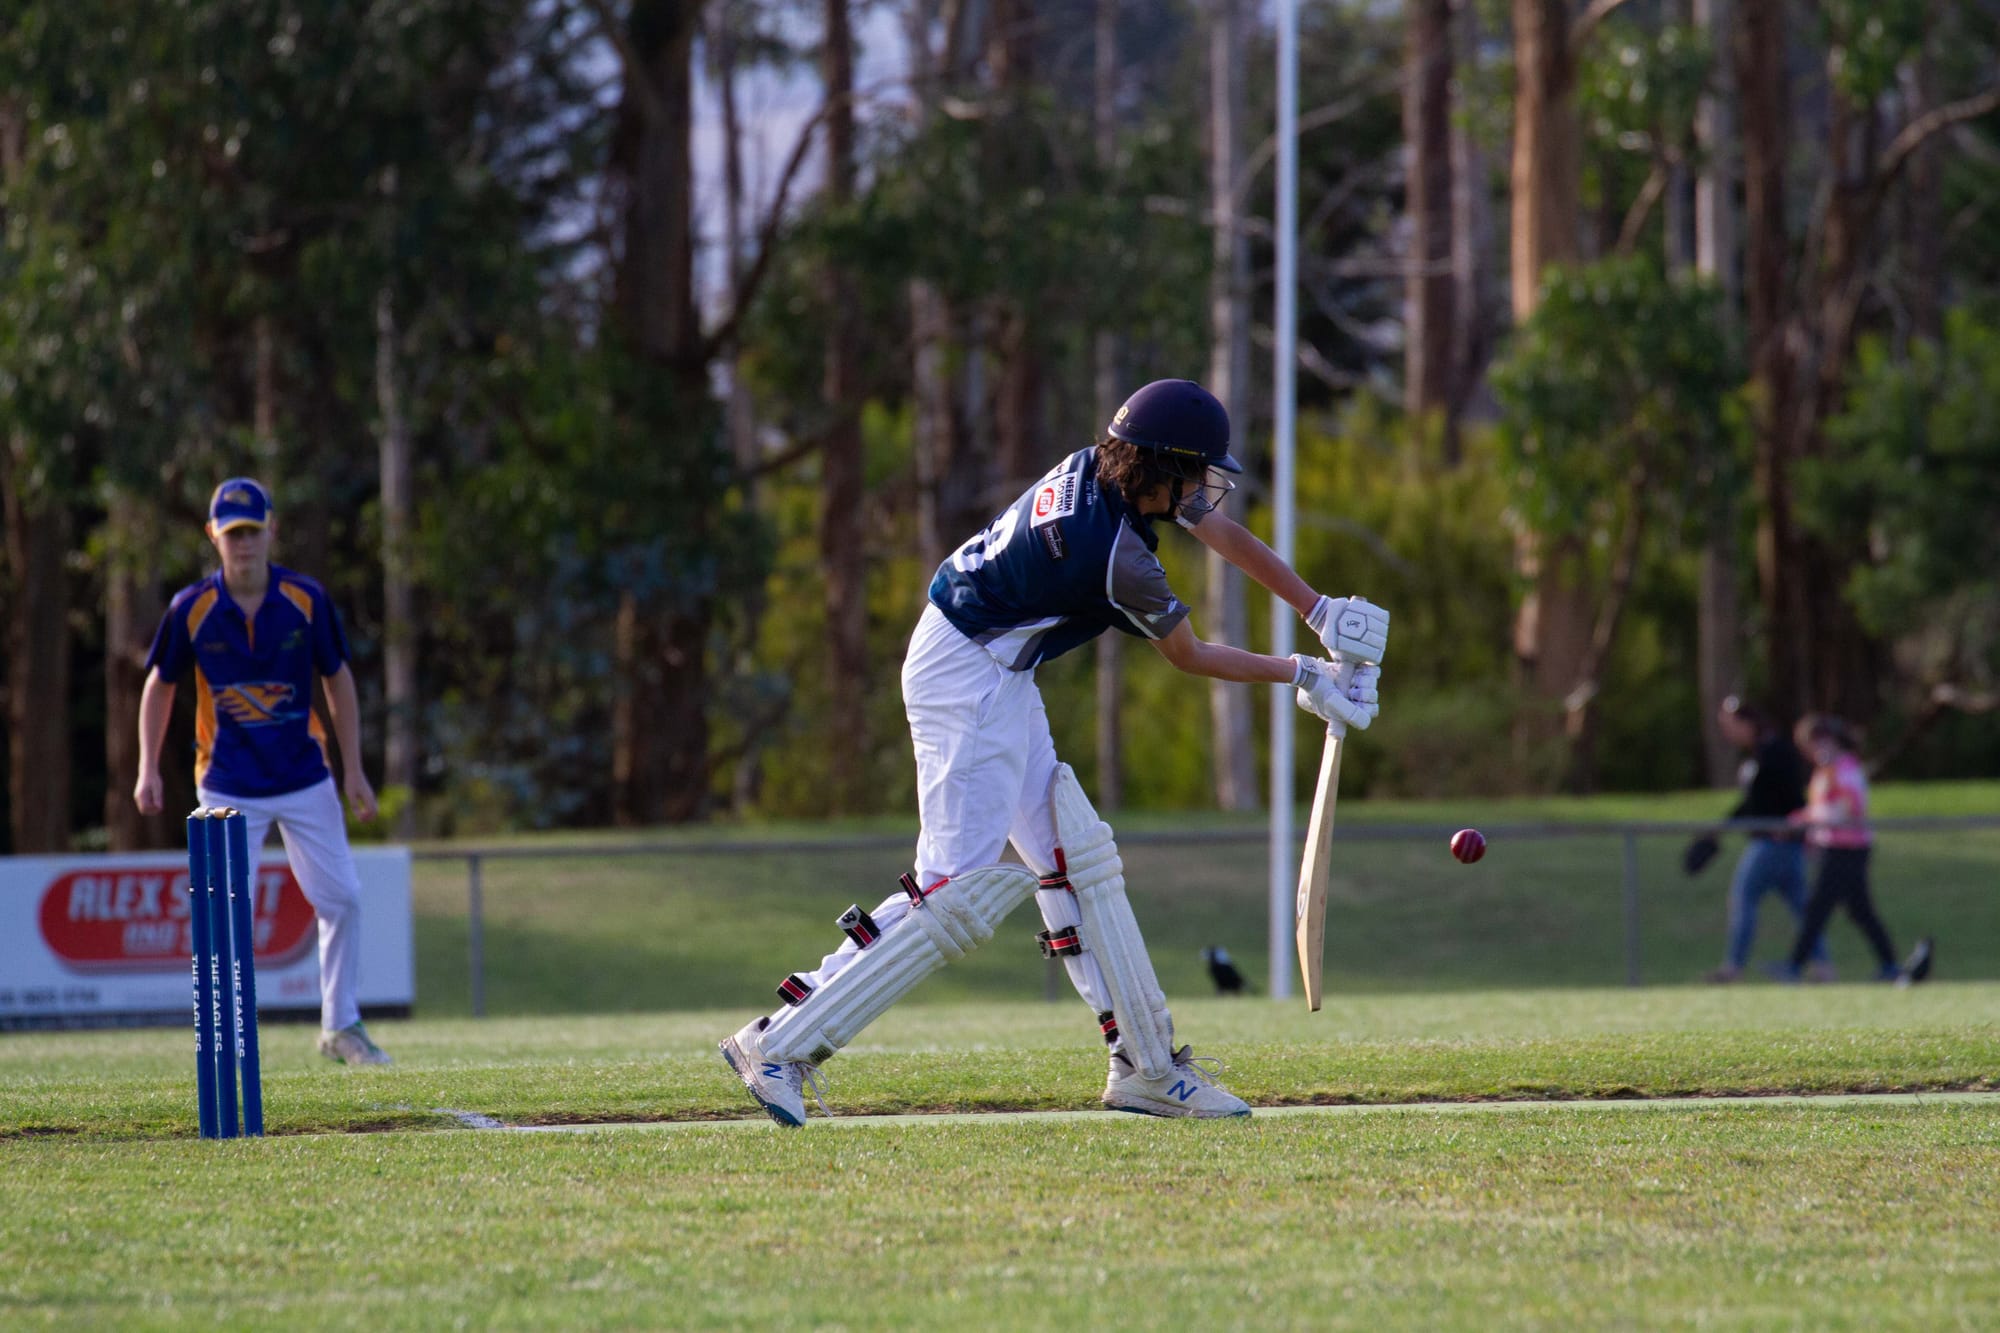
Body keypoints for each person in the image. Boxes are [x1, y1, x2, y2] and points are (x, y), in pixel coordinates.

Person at [720, 379, 1388, 1124]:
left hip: (991, 664)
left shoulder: (1105, 468)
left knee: (1077, 857)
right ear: (1162, 467)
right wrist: (1303, 673)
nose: (1205, 487)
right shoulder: (1116, 557)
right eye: (1197, 472)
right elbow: (1189, 655)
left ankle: (1147, 1068)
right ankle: (779, 1043)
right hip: (968, 673)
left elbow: (1217, 529)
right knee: (955, 893)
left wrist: (1319, 610)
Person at [134, 477, 392, 1065]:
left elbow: (339, 680)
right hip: (227, 782)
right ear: (213, 536)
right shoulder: (191, 608)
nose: (244, 543)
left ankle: (341, 1026)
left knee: (343, 899)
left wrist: (354, 770)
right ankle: (225, 1038)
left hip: (304, 774)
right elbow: (159, 685)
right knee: (226, 914)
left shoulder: (305, 599)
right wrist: (147, 766)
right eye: (233, 534)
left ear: (272, 529)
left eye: (253, 530)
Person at [1767, 715, 1931, 986]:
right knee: (1859, 911)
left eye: (1815, 744)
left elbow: (1848, 809)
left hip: (1848, 850)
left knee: (1819, 909)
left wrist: (1812, 816)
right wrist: (1799, 822)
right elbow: (1821, 809)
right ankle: (1889, 965)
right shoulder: (1826, 771)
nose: (1812, 751)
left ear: (1830, 741)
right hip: (1833, 847)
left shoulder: (1846, 769)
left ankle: (1794, 966)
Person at [1691, 696, 1830, 983]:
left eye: (1730, 725)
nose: (1727, 732)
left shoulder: (1776, 750)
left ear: (1747, 723)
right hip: (1779, 844)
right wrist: (1720, 829)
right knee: (1800, 905)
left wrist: (1792, 824)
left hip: (1773, 842)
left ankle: (1734, 967)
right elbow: (1752, 803)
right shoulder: (1758, 754)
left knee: (1743, 897)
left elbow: (1794, 796)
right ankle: (1822, 965)